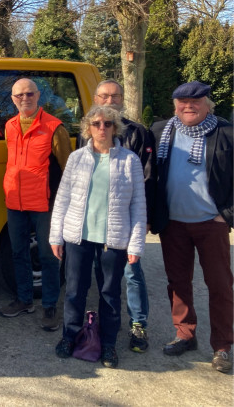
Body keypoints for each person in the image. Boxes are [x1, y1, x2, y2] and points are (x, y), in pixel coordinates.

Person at [51, 106, 147, 368]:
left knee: (110, 294)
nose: (102, 128)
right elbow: (62, 199)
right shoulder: (76, 158)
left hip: (112, 239)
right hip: (78, 237)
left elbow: (138, 205)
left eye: (107, 124)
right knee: (74, 292)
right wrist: (55, 236)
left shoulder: (129, 160)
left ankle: (108, 345)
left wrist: (136, 243)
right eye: (96, 124)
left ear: (115, 128)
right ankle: (69, 337)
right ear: (88, 128)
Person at [150, 81, 233, 373]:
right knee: (178, 283)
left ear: (207, 104)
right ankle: (185, 334)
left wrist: (228, 214)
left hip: (211, 224)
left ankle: (222, 346)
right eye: (182, 102)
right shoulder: (161, 131)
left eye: (195, 101)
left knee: (220, 286)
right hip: (173, 224)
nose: (189, 106)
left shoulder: (225, 132)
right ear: (175, 106)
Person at [78, 80, 155, 353]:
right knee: (103, 277)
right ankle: (106, 324)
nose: (110, 101)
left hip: (125, 217)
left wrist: (144, 219)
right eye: (104, 96)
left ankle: (138, 323)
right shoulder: (88, 131)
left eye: (115, 96)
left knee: (132, 271)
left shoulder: (139, 132)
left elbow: (148, 179)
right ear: (95, 98)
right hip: (95, 221)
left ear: (122, 99)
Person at [0, 78, 71, 332]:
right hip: (15, 200)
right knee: (18, 253)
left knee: (48, 256)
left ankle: (49, 305)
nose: (25, 98)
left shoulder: (54, 127)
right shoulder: (9, 126)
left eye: (29, 94)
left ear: (38, 95)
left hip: (44, 203)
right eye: (19, 95)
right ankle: (24, 300)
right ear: (12, 99)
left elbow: (67, 168)